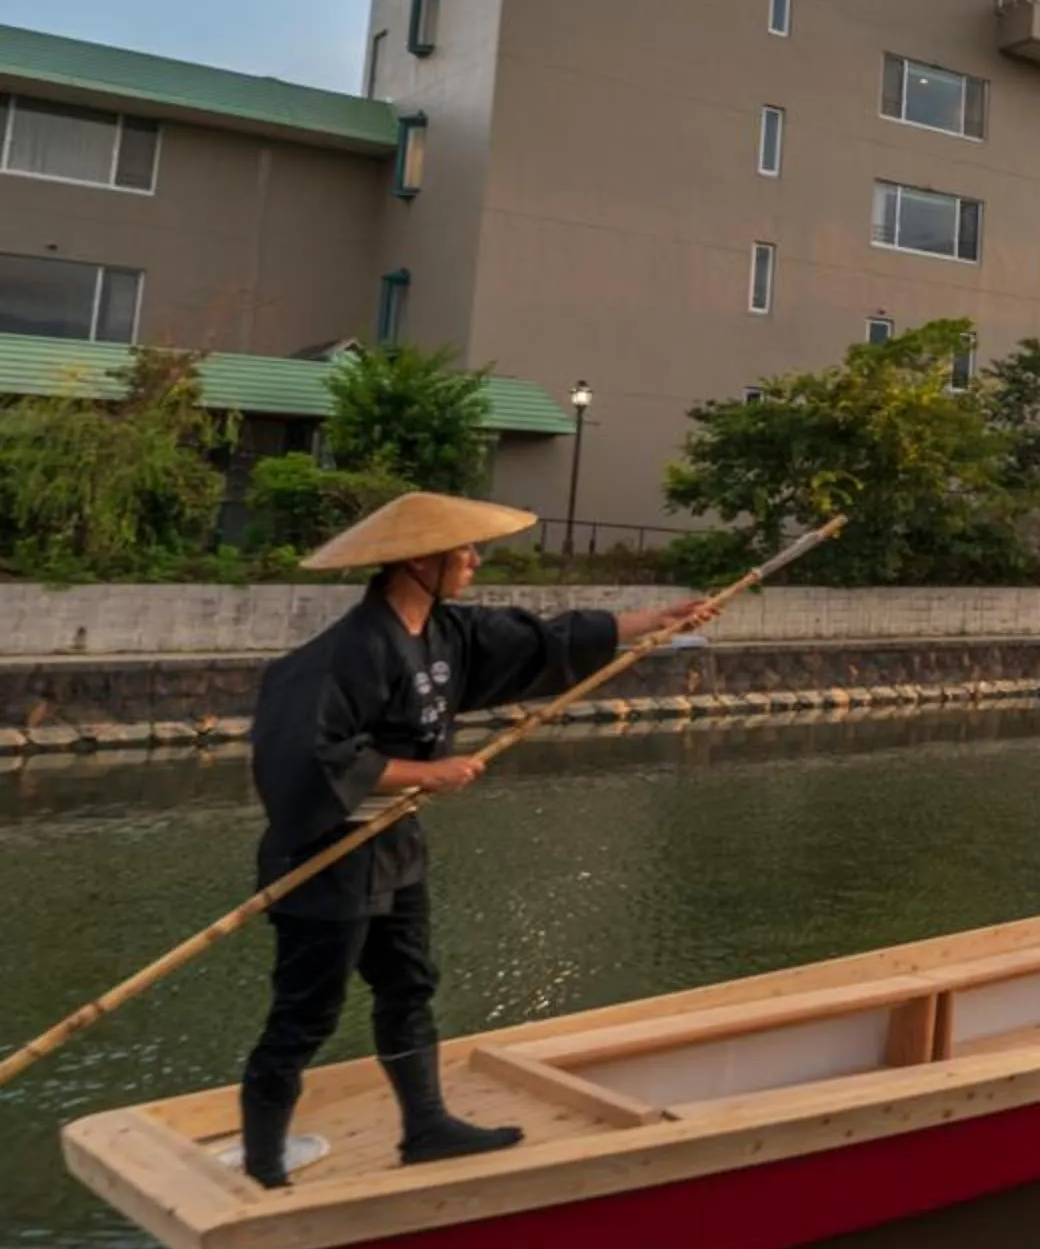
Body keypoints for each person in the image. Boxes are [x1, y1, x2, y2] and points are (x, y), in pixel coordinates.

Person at [236, 492, 710, 1188]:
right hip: (325, 854)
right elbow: (305, 757)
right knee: (307, 1013)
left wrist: (655, 623)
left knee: (409, 987)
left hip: (394, 845)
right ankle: (263, 1166)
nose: (474, 561)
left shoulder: (447, 634)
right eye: (463, 551)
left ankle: (425, 1128)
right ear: (421, 561)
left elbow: (544, 639)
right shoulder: (346, 651)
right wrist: (424, 771)